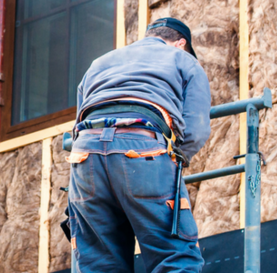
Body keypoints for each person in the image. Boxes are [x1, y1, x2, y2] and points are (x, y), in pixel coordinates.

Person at [66, 17, 210, 272]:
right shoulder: (183, 59)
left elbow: (79, 119)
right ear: (180, 43)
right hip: (143, 147)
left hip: (84, 155)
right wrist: (174, 160)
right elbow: (196, 129)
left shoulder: (100, 62)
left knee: (101, 262)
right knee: (174, 256)